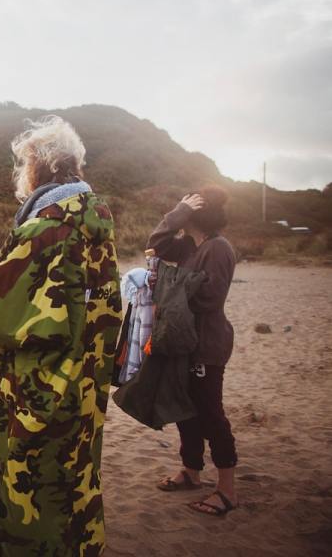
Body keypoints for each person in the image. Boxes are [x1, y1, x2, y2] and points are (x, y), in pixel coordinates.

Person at [0, 116, 122, 556]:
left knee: (27, 492)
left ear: (38, 166)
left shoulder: (46, 228)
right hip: (85, 388)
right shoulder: (97, 225)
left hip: (40, 394)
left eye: (24, 164)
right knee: (74, 485)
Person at [149, 187, 239, 516]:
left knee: (210, 413)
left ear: (200, 216)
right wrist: (177, 212)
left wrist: (169, 287)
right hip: (183, 342)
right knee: (186, 411)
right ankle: (191, 472)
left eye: (190, 210)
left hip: (207, 345)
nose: (183, 216)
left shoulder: (218, 248)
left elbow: (209, 298)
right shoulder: (189, 245)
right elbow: (156, 244)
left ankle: (227, 490)